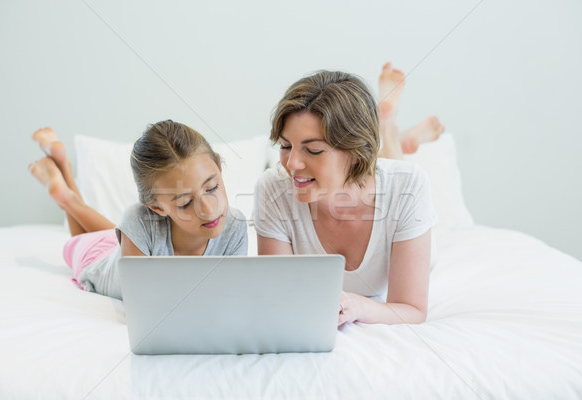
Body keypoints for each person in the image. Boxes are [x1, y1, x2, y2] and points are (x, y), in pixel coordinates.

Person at [253, 63, 439, 326]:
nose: (291, 164)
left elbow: (412, 309)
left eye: (313, 150)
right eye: (285, 146)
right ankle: (391, 130)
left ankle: (389, 127)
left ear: (355, 151)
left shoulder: (409, 186)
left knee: (401, 178)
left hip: (405, 212)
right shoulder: (273, 188)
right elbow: (279, 297)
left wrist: (357, 306)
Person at [29, 120, 248, 300]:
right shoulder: (137, 221)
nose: (209, 210)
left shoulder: (235, 226)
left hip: (125, 245)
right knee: (82, 238)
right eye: (184, 203)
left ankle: (62, 167)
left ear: (219, 168)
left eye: (212, 187)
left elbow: (233, 296)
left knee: (115, 233)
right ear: (155, 207)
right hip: (97, 260)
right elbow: (142, 304)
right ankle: (67, 198)